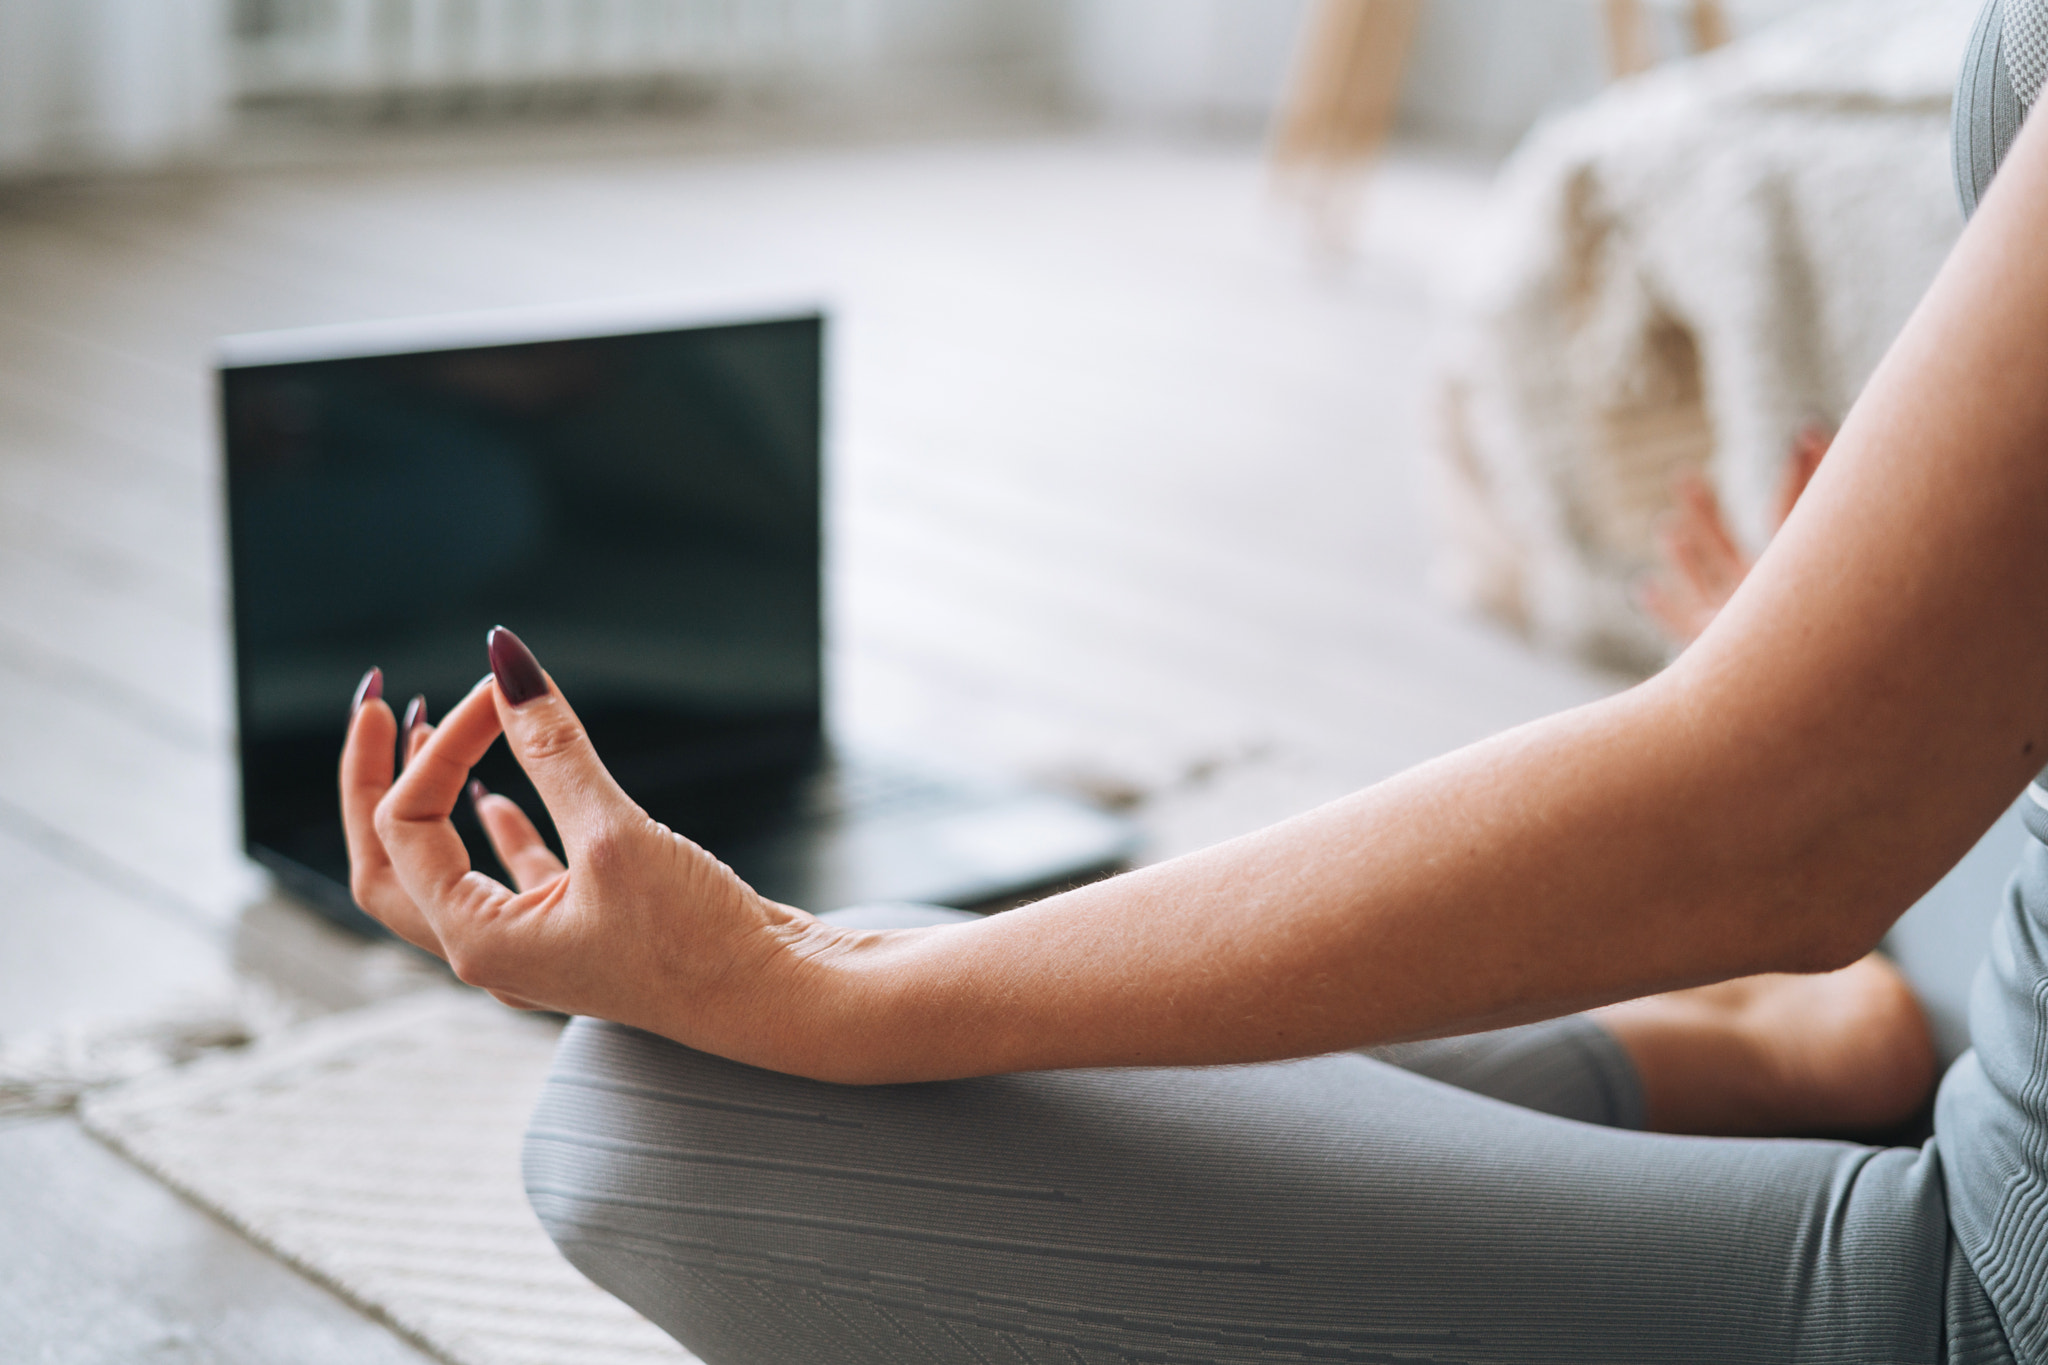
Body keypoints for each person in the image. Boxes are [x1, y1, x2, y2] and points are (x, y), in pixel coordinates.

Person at [336, 2, 2048, 1358]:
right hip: (1975, 864)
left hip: (1992, 1268)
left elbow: (1782, 830)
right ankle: (1829, 1036)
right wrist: (1899, 660)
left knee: (667, 1114)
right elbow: (1816, 809)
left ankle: (1835, 1016)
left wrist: (823, 977)